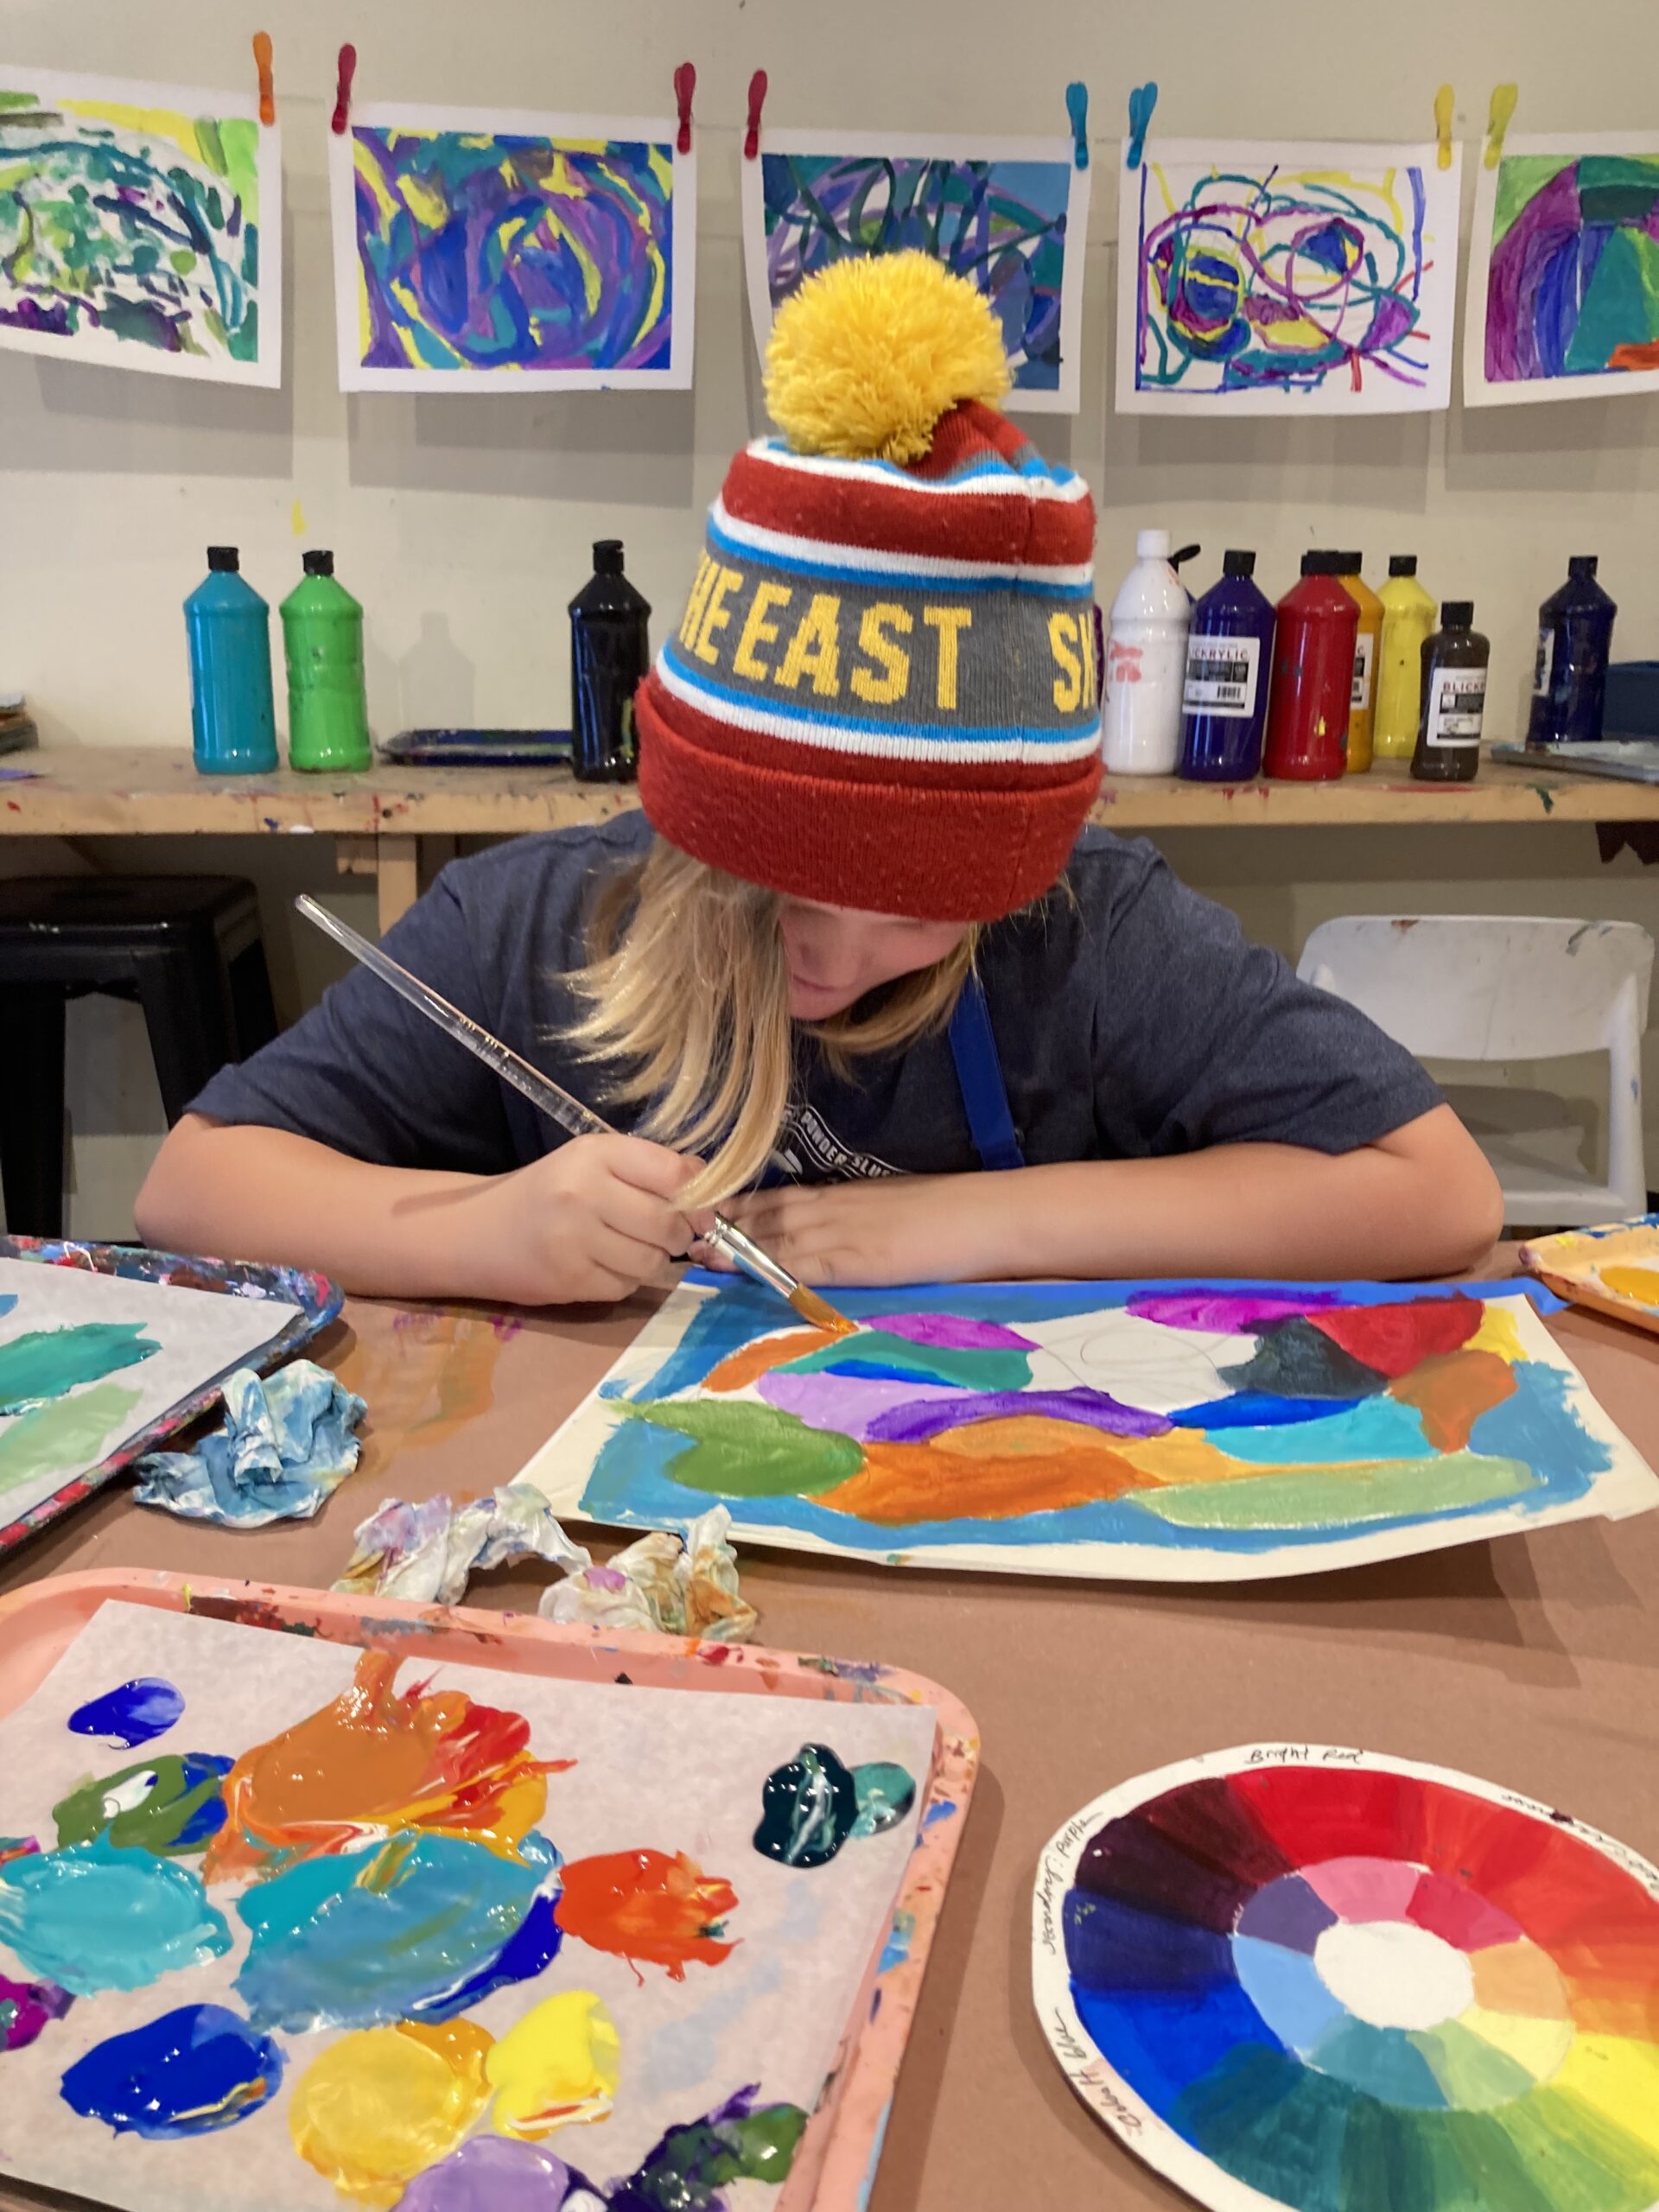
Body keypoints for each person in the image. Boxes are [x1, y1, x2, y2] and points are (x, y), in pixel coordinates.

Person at [137, 254, 1502, 1306]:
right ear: (689, 832)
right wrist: (489, 1235)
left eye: (918, 913)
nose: (841, 958)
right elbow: (191, 1190)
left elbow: (1438, 1195)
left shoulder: (1087, 931)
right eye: (779, 898)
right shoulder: (541, 921)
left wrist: (976, 1223)